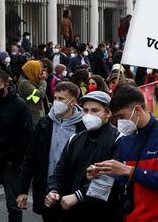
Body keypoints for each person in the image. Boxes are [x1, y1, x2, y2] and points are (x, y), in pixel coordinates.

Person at [92, 84, 158, 221]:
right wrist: (99, 175)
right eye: (116, 119)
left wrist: (130, 171)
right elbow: (120, 180)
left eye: (121, 116)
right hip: (132, 216)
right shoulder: (125, 139)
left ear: (137, 110)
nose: (119, 122)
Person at [45, 91, 122, 221]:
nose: (88, 115)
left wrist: (78, 196)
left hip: (102, 214)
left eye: (95, 110)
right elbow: (59, 173)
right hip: (70, 213)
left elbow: (112, 180)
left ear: (108, 113)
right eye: (85, 110)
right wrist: (53, 191)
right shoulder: (75, 139)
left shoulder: (118, 140)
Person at [16, 82, 84, 221]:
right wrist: (22, 190)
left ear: (73, 101)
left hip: (72, 193)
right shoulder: (44, 124)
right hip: (47, 190)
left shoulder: (83, 126)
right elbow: (30, 158)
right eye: (55, 98)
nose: (56, 102)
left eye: (61, 99)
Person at [0, 70, 32, 222]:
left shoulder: (19, 106)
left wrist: (15, 158)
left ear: (6, 85)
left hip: (11, 164)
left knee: (13, 206)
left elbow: (25, 135)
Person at [17, 60, 48, 128]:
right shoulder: (24, 83)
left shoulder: (32, 80)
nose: (41, 72)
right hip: (32, 118)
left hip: (37, 114)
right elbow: (40, 94)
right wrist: (43, 81)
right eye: (39, 70)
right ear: (33, 70)